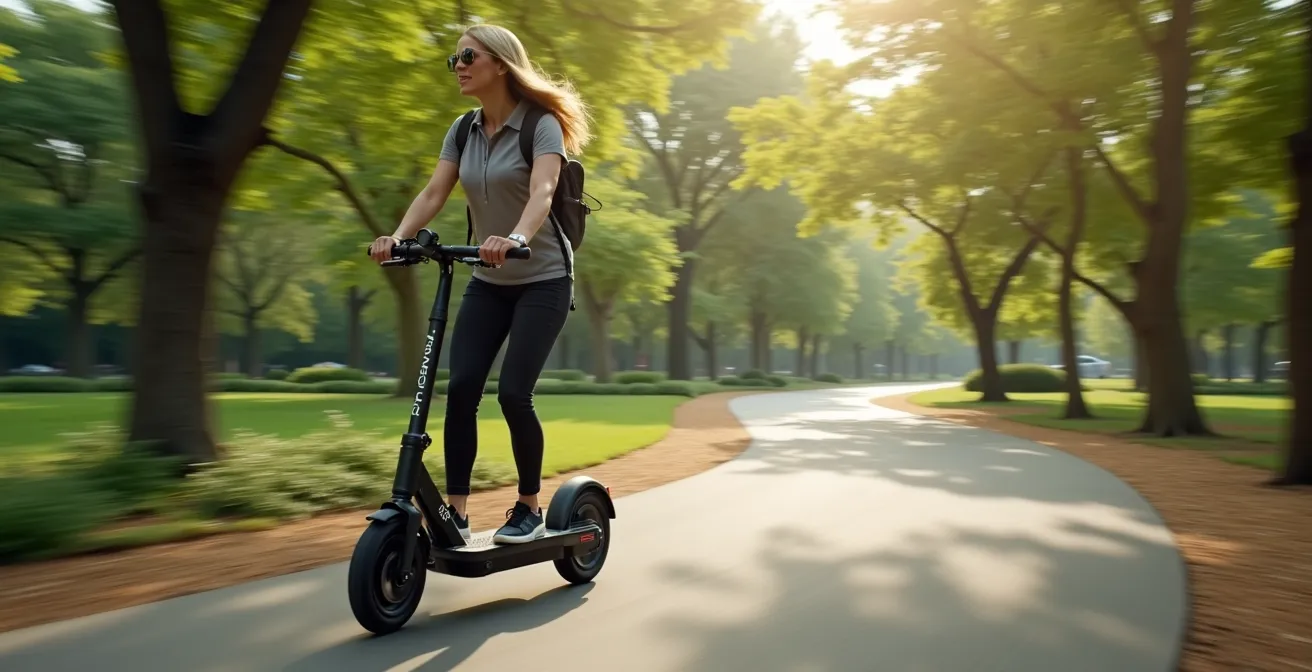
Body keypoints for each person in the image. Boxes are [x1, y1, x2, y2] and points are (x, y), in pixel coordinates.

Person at [367, 24, 591, 544]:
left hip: (543, 278)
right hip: (488, 280)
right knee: (462, 388)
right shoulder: (462, 129)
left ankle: (529, 508)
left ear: (501, 63)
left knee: (513, 393)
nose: (458, 66)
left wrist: (515, 237)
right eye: (455, 59)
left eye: (468, 56)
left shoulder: (540, 125)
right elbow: (434, 192)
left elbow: (543, 191)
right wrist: (397, 238)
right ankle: (458, 513)